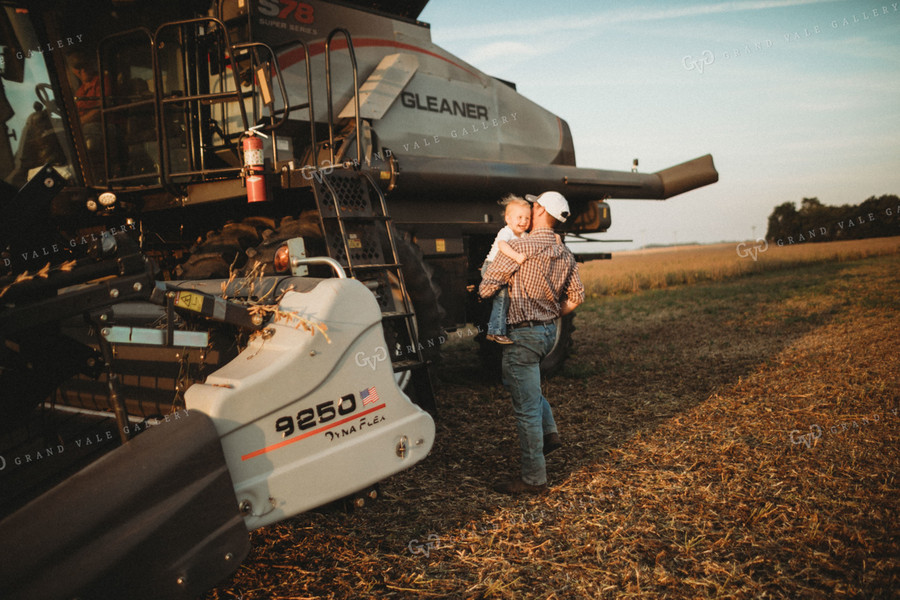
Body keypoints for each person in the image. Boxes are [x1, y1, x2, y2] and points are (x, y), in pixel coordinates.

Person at [479, 191, 585, 495]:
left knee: (524, 405)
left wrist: (490, 284)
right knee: (527, 387)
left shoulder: (517, 245)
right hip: (547, 333)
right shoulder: (565, 253)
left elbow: (487, 290)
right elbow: (577, 297)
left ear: (538, 209)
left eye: (532, 205)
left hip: (522, 335)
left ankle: (534, 479)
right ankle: (549, 432)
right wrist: (550, 314)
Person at [481, 195, 532, 344]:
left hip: (504, 271)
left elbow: (533, 242)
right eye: (520, 217)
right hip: (492, 268)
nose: (523, 221)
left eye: (527, 218)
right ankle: (495, 332)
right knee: (502, 297)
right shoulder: (506, 232)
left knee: (510, 297)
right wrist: (516, 256)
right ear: (508, 219)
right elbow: (503, 246)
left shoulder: (523, 235)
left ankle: (509, 326)